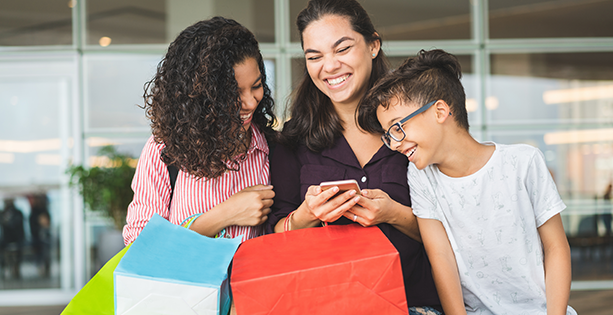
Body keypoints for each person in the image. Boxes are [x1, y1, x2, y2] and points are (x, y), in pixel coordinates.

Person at [364, 49, 577, 314]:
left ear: (440, 111)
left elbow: (556, 247)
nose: (394, 144)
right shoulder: (420, 178)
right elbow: (442, 259)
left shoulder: (524, 162)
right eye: (388, 135)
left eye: (397, 128)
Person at [268, 0, 442, 314]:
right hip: (324, 306)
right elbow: (271, 237)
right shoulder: (294, 139)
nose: (330, 66)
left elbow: (455, 230)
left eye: (342, 48)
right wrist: (305, 215)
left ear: (373, 45)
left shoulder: (414, 129)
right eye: (315, 56)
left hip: (414, 305)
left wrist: (393, 214)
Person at [123, 17, 277, 245]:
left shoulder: (273, 149)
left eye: (256, 86)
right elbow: (140, 245)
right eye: (234, 94)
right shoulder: (165, 152)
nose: (251, 102)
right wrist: (224, 215)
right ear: (201, 96)